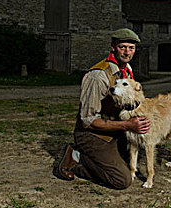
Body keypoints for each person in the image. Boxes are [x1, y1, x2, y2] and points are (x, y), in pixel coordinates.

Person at [53, 28, 151, 189]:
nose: (127, 52)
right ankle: (77, 157)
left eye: (131, 48)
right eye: (122, 47)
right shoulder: (98, 76)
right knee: (121, 180)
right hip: (92, 134)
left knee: (134, 155)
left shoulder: (127, 70)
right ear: (113, 47)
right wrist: (128, 125)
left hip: (114, 130)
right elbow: (88, 121)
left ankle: (101, 156)